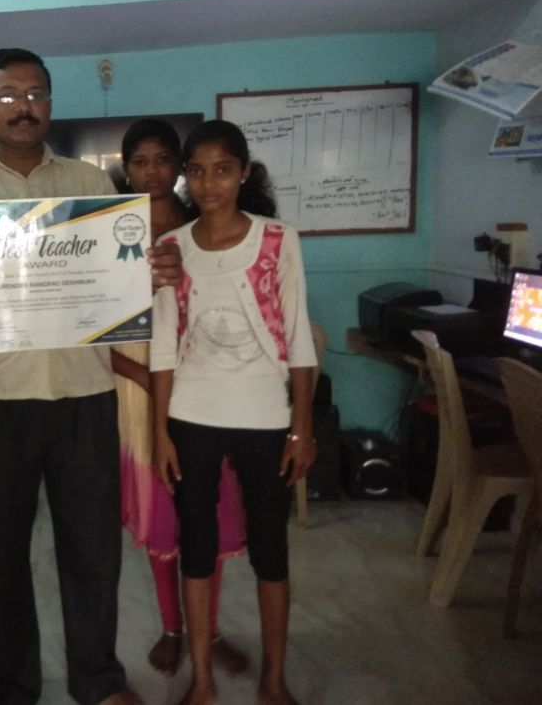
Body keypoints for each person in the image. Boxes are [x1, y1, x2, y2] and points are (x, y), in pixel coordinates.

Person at [0, 48, 181, 705]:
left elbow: (118, 287)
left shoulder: (91, 183)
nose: (22, 106)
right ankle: (6, 689)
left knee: (93, 551)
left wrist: (154, 275)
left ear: (50, 102)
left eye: (35, 93)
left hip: (85, 394)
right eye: (7, 94)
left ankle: (97, 679)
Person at [151, 119, 317, 705]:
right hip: (191, 413)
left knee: (271, 549)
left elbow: (298, 336)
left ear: (244, 172)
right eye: (196, 172)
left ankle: (273, 679)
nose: (209, 184)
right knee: (196, 547)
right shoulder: (172, 248)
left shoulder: (278, 239)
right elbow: (163, 345)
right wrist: (160, 431)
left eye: (222, 170)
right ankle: (202, 680)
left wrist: (302, 426)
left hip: (265, 415)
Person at [111, 119, 248, 678]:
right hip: (137, 387)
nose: (152, 172)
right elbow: (92, 328)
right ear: (126, 170)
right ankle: (173, 627)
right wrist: (149, 382)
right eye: (140, 162)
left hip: (203, 383)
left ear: (179, 166)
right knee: (161, 512)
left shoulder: (201, 228)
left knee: (208, 508)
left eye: (163, 160)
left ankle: (207, 630)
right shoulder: (107, 234)